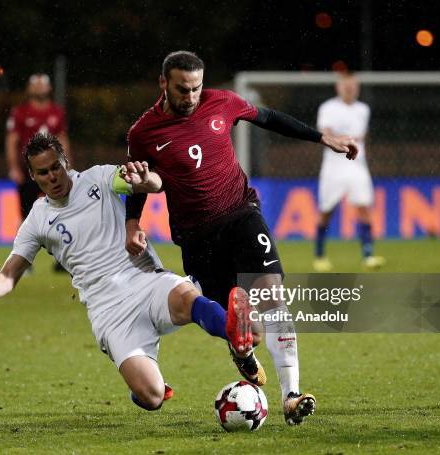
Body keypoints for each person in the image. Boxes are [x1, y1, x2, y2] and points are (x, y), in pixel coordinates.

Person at [124, 51, 358, 425]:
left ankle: (291, 397)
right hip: (197, 238)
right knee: (250, 329)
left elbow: (269, 119)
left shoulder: (222, 102)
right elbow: (139, 180)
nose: (190, 97)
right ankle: (243, 349)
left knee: (271, 295)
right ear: (163, 83)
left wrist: (321, 138)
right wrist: (132, 221)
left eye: (196, 88)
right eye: (183, 89)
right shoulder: (144, 133)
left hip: (241, 214)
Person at [0, 133, 261, 412]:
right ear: (33, 176)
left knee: (185, 299)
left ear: (65, 161)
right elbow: (8, 276)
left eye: (56, 167)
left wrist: (146, 179)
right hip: (108, 309)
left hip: (143, 278)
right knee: (152, 397)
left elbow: (151, 184)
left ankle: (240, 344)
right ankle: (143, 389)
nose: (53, 176)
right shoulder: (37, 220)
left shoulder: (99, 178)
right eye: (44, 172)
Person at [313, 72, 385, 272]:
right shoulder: (328, 108)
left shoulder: (363, 109)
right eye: (346, 86)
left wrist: (347, 139)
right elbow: (325, 133)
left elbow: (362, 135)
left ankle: (368, 255)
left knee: (363, 207)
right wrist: (343, 138)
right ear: (338, 88)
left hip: (356, 165)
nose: (350, 89)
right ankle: (319, 255)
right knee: (326, 211)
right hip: (333, 167)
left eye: (353, 86)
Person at [5, 74, 71, 272]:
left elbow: (63, 138)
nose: (40, 87)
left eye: (43, 84)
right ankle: (24, 262)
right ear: (29, 88)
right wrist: (14, 167)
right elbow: (12, 141)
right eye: (36, 84)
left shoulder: (57, 112)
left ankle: (63, 260)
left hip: (55, 171)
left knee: (63, 213)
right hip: (29, 172)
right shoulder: (20, 112)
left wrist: (67, 165)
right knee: (26, 216)